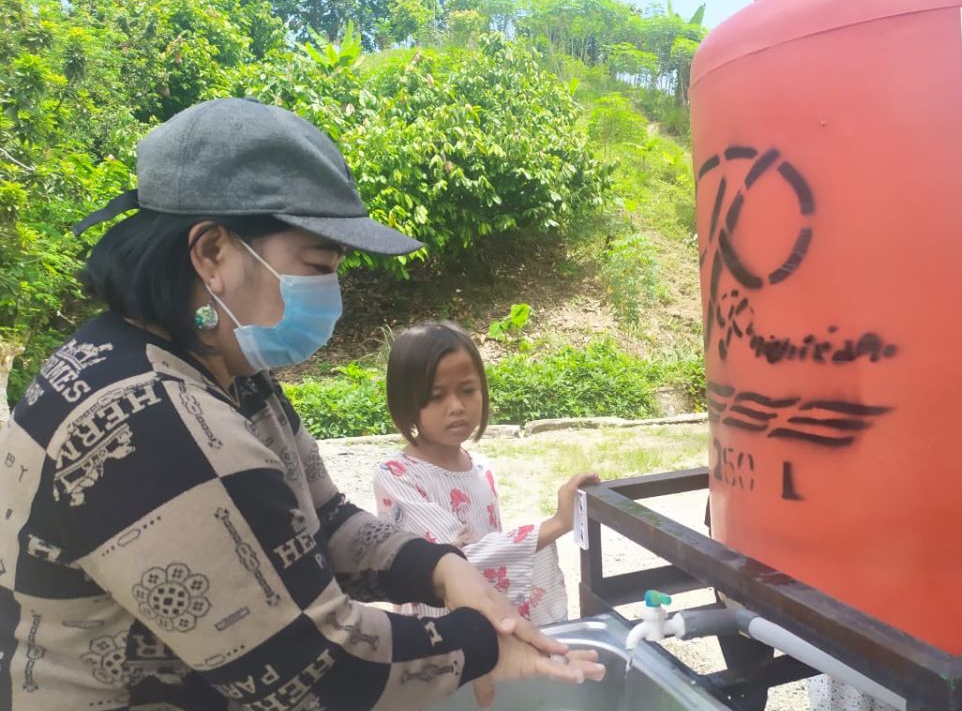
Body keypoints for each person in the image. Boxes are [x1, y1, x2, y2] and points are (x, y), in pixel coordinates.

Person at [0, 98, 603, 711]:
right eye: (315, 267)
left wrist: (442, 569)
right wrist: (484, 642)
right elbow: (314, 671)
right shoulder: (147, 418)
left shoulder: (228, 373)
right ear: (212, 254)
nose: (330, 296)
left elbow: (324, 518)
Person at [374, 322, 597, 626]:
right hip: (440, 635)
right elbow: (452, 563)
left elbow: (491, 556)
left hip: (486, 623)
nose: (456, 407)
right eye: (436, 396)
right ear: (406, 402)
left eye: (467, 390)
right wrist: (556, 525)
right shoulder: (397, 476)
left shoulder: (480, 468)